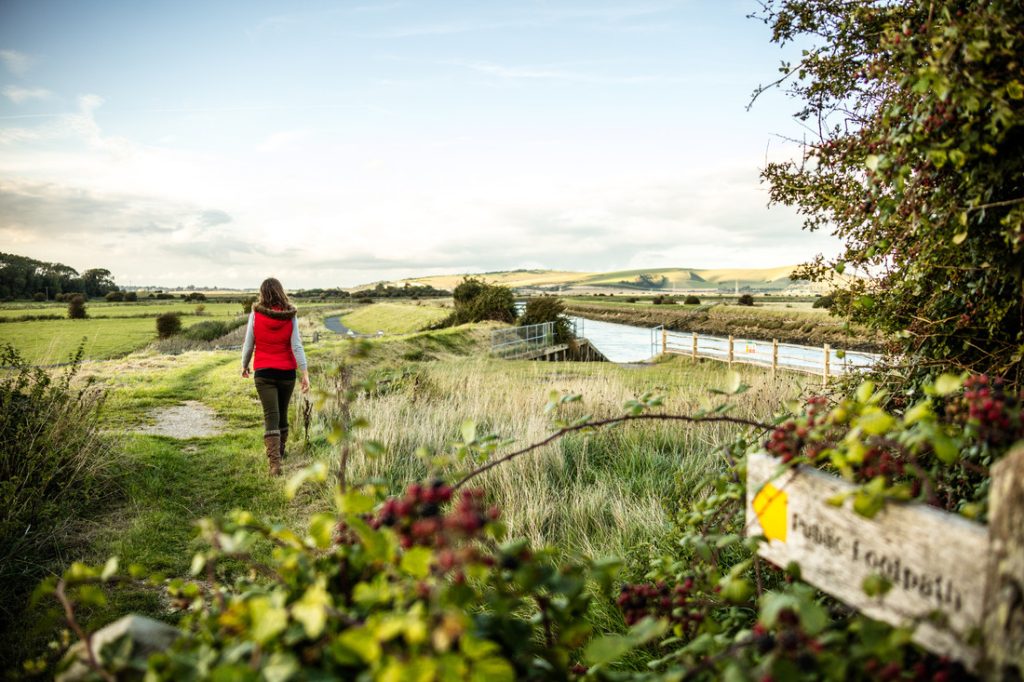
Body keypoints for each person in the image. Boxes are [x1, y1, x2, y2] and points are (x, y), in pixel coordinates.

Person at [241, 278, 310, 476]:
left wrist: (244, 365)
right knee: (282, 411)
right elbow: (297, 346)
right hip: (287, 372)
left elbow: (249, 344)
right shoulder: (291, 315)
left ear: (262, 293)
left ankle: (275, 464)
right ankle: (279, 452)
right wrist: (304, 372)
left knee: (271, 414)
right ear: (281, 292)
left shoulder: (256, 314)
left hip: (263, 372)